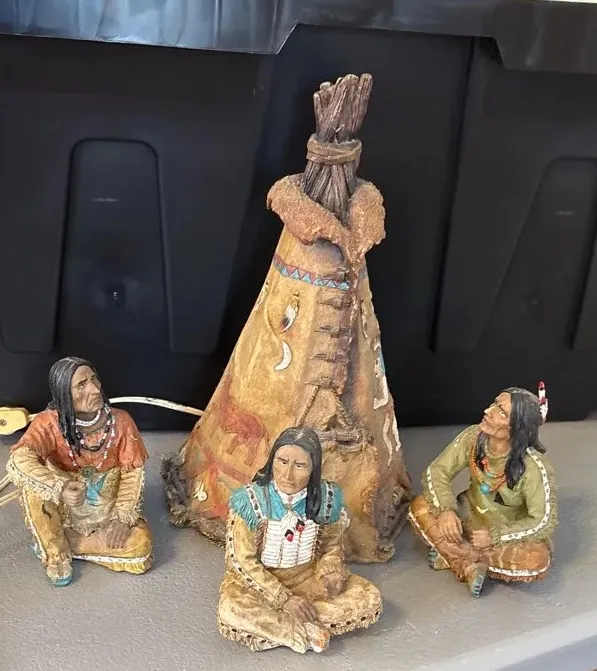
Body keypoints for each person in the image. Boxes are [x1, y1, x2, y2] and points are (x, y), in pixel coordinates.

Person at [217, 426, 382, 653]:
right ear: (272, 461)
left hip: (307, 578)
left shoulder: (327, 499)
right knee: (232, 609)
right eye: (282, 462)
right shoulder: (250, 501)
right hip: (260, 586)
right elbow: (241, 561)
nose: (287, 475)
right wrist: (283, 598)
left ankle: (281, 626)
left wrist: (330, 569)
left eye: (300, 466)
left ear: (313, 468)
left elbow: (331, 544)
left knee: (368, 597)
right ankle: (300, 630)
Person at [6, 356, 152, 586]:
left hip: (106, 511)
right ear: (64, 394)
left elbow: (132, 474)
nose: (94, 389)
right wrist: (60, 487)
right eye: (82, 385)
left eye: (94, 379)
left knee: (140, 545)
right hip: (64, 508)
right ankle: (57, 554)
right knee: (32, 489)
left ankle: (55, 540)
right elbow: (20, 458)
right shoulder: (48, 423)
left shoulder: (121, 422)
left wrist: (122, 519)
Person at [409, 385, 557, 597]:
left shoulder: (534, 468)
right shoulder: (473, 437)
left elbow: (542, 521)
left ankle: (456, 556)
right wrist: (446, 510)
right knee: (420, 505)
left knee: (536, 560)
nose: (488, 411)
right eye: (494, 403)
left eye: (501, 412)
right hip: (467, 519)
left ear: (517, 428)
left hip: (506, 534)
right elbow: (437, 470)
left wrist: (496, 537)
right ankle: (469, 564)